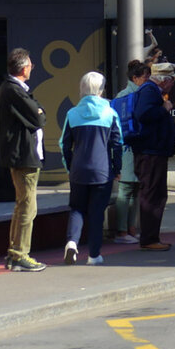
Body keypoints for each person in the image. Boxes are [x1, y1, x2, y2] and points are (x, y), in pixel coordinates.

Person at [60, 72, 122, 266]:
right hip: (102, 172)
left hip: (78, 170)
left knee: (77, 208)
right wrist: (116, 168)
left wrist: (70, 166)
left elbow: (64, 144)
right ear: (101, 90)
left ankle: (72, 242)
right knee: (96, 212)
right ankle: (94, 255)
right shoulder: (110, 113)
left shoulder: (72, 114)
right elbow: (117, 144)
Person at [0, 47, 47, 271]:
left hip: (20, 154)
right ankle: (20, 254)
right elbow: (39, 119)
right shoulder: (15, 91)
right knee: (28, 206)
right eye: (30, 66)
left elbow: (37, 114)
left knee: (22, 205)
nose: (31, 69)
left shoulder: (12, 89)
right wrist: (38, 112)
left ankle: (15, 253)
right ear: (24, 67)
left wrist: (37, 112)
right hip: (24, 155)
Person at [128, 60, 175, 251]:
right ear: (164, 80)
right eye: (172, 80)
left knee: (156, 194)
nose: (173, 84)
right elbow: (143, 114)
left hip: (153, 151)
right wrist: (164, 109)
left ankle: (152, 236)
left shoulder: (151, 90)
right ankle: (148, 239)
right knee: (151, 195)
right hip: (150, 152)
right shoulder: (149, 90)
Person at [112, 61, 143, 244]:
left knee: (133, 190)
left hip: (128, 147)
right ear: (135, 78)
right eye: (144, 77)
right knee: (127, 190)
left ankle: (130, 229)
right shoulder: (128, 96)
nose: (147, 80)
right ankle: (123, 231)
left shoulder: (127, 95)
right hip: (128, 147)